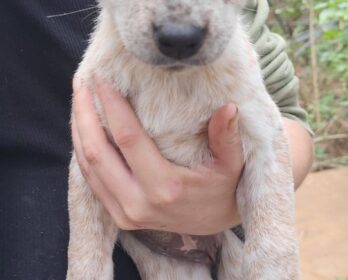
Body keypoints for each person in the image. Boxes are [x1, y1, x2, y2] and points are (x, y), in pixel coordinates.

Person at [0, 0, 313, 279]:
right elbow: (86, 160)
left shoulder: (238, 51)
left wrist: (232, 216)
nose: (180, 20)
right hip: (119, 247)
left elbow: (278, 129)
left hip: (227, 241)